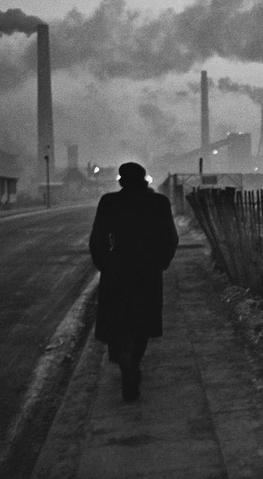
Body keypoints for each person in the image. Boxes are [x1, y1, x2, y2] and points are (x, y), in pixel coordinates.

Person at [89, 162, 179, 401]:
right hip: (148, 270)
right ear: (144, 181)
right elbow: (170, 237)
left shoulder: (109, 202)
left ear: (121, 182)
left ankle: (125, 361)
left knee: (117, 320)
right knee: (143, 320)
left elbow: (97, 238)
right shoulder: (159, 203)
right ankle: (133, 361)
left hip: (117, 269)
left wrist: (104, 264)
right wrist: (161, 262)